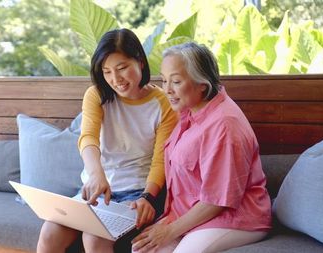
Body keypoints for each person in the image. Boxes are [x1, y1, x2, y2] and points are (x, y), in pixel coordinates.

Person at [36, 28, 178, 253]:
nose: (116, 79)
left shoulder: (162, 103)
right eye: (107, 71)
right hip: (97, 193)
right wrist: (96, 174)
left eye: (122, 68)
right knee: (49, 233)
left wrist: (148, 197)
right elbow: (88, 137)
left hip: (137, 191)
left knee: (94, 238)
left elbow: (161, 160)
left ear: (140, 62)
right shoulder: (97, 95)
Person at [131, 42, 271, 253]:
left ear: (202, 85)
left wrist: (169, 231)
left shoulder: (225, 125)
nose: (167, 89)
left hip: (233, 217)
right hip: (192, 212)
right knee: (142, 249)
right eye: (164, 80)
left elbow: (217, 201)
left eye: (176, 81)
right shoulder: (190, 109)